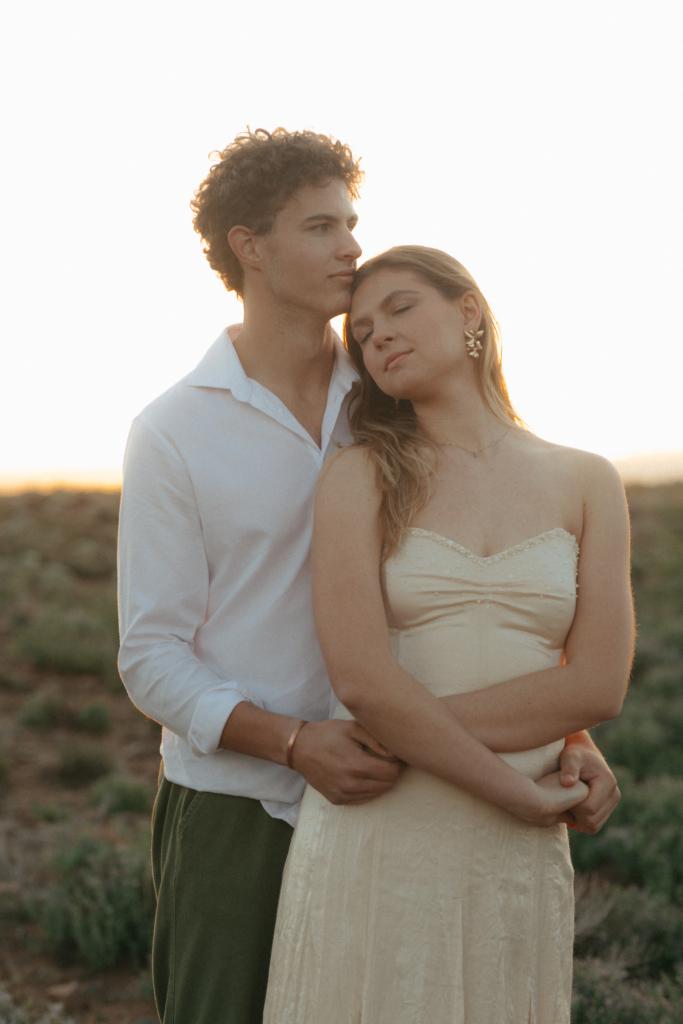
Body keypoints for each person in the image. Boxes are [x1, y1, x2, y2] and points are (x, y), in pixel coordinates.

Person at [117, 130, 622, 1024]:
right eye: (321, 227)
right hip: (241, 800)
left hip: (412, 789)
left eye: (353, 224)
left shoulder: (387, 400)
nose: (350, 246)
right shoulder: (175, 429)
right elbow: (150, 654)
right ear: (251, 247)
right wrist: (293, 741)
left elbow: (486, 607)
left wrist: (562, 733)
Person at [263, 246, 634, 1023]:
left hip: (512, 846)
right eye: (362, 332)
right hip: (389, 822)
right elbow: (361, 678)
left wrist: (398, 731)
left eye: (399, 309)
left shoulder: (585, 479)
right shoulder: (360, 474)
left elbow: (596, 683)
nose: (379, 338)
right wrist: (513, 792)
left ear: (468, 311)